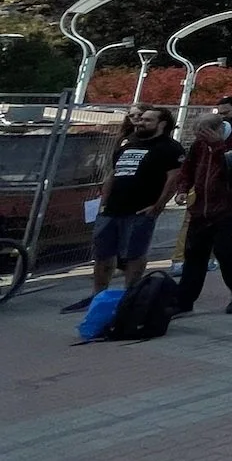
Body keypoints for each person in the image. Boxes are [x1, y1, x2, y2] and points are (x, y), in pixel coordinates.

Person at [62, 107, 184, 313]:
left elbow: (173, 179)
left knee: (134, 255)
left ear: (162, 124)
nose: (140, 122)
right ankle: (98, 296)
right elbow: (113, 174)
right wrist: (103, 203)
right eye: (140, 119)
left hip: (139, 211)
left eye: (147, 120)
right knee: (103, 254)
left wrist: (158, 206)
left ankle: (130, 297)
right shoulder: (128, 144)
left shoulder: (170, 148)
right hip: (111, 209)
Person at [164, 115, 232, 315]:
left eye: (203, 134)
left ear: (216, 130)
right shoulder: (199, 144)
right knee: (194, 252)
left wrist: (217, 147)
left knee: (223, 248)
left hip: (231, 206)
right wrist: (183, 189)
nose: (200, 139)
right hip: (202, 206)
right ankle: (184, 300)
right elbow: (188, 168)